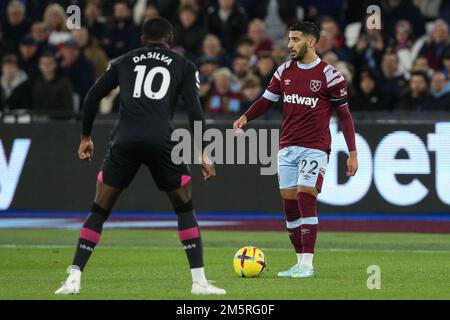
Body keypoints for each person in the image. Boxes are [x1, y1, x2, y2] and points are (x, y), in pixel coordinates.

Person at [55, 17, 226, 296]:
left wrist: (86, 137)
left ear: (142, 39)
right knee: (184, 208)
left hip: (124, 140)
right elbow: (195, 111)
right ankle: (199, 282)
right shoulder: (184, 65)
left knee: (99, 209)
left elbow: (91, 98)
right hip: (162, 141)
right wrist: (202, 152)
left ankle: (73, 278)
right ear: (170, 39)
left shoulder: (123, 60)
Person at [233, 22, 358, 278]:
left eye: (295, 39)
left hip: (315, 148)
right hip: (287, 147)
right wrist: (246, 117)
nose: (289, 44)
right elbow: (266, 102)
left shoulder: (330, 75)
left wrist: (353, 153)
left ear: (311, 43)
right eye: (289, 39)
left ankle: (308, 265)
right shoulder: (284, 71)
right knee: (289, 207)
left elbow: (344, 116)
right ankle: (299, 262)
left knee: (305, 197)